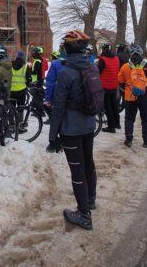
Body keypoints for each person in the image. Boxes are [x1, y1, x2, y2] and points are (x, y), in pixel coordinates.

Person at [46, 30, 97, 231]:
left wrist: (53, 137)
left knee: (77, 170)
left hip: (71, 130)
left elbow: (58, 107)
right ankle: (90, 200)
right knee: (88, 164)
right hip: (88, 126)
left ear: (67, 49)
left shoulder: (65, 73)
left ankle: (84, 215)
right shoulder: (92, 67)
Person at [117, 45, 147, 148]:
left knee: (129, 118)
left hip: (130, 96)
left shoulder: (125, 66)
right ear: (141, 53)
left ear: (130, 54)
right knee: (146, 119)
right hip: (144, 96)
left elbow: (120, 80)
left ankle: (128, 140)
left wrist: (127, 86)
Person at [97, 44, 121, 133]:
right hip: (114, 84)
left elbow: (98, 71)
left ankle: (111, 127)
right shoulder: (116, 58)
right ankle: (117, 123)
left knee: (107, 106)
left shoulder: (103, 59)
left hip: (105, 86)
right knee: (114, 105)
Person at [10, 50, 32, 133]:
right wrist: (27, 84)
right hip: (21, 91)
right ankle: (19, 128)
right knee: (20, 109)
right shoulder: (25, 66)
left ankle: (11, 127)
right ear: (23, 57)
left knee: (11, 109)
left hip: (11, 91)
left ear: (16, 57)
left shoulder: (11, 65)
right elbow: (29, 79)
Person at [43, 43, 66, 108]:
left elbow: (50, 83)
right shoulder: (84, 62)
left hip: (59, 98)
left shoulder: (56, 63)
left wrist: (48, 98)